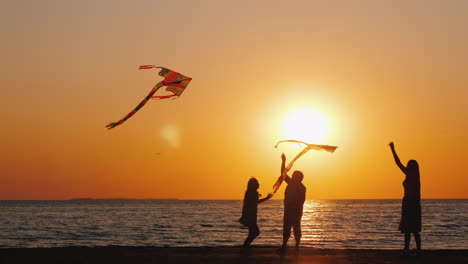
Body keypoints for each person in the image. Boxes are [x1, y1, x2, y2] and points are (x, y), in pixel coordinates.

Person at [389, 142, 422, 255]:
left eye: (409, 165)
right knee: (411, 229)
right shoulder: (414, 176)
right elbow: (399, 164)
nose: (407, 166)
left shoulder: (412, 175)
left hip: (410, 203)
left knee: (411, 229)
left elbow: (398, 163)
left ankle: (412, 250)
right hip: (410, 203)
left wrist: (393, 150)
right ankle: (412, 250)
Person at [279, 153, 306, 251]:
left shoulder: (301, 187)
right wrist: (283, 161)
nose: (292, 176)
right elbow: (283, 173)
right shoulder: (291, 183)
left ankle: (297, 246)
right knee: (286, 228)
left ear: (299, 178)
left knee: (296, 228)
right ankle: (284, 246)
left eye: (294, 175)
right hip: (288, 210)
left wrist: (295, 207)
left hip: (295, 211)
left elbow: (302, 200)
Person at [239, 177, 272, 248]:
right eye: (256, 183)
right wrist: (267, 198)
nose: (258, 184)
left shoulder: (250, 192)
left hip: (250, 215)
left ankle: (245, 247)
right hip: (250, 216)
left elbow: (255, 202)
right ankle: (245, 247)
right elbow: (256, 202)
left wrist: (267, 198)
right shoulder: (252, 193)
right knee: (255, 232)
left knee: (252, 233)